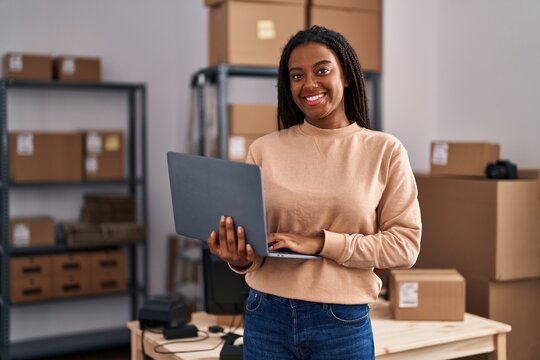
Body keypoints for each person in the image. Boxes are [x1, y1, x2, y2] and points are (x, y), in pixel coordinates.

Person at [208, 25, 421, 360]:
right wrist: (239, 258)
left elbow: (405, 247)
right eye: (296, 76)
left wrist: (322, 243)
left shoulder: (385, 150)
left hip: (341, 321)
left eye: (322, 70)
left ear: (347, 76)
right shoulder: (264, 150)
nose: (309, 84)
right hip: (266, 315)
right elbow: (257, 242)